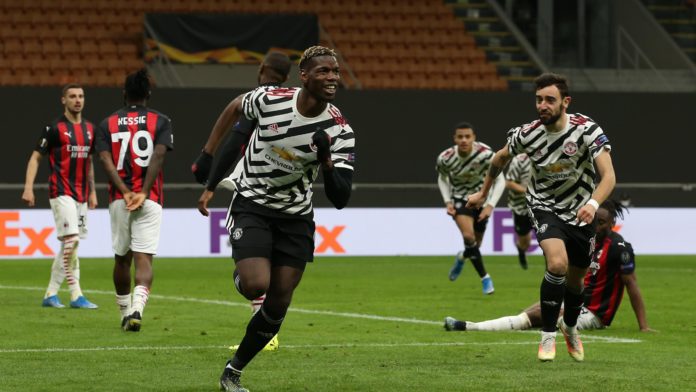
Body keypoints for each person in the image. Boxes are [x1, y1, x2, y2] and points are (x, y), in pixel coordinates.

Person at [197, 45, 355, 392]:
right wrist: (208, 153)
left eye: (335, 72)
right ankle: (243, 278)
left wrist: (325, 159)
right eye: (324, 71)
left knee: (279, 300)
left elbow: (341, 197)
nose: (332, 78)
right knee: (257, 285)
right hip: (252, 202)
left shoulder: (339, 129)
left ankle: (233, 372)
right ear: (305, 76)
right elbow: (234, 107)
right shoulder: (270, 98)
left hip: (296, 216)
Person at [466, 73, 616, 362]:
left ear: (565, 103)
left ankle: (570, 329)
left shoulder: (586, 130)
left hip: (582, 210)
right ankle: (547, 336)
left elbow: (608, 176)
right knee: (557, 263)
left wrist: (594, 203)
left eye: (549, 100)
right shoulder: (527, 134)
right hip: (544, 206)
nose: (542, 105)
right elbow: (498, 158)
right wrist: (483, 194)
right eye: (538, 100)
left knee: (576, 282)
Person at [193, 51, 292, 351]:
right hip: (290, 201)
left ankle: (246, 283)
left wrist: (209, 175)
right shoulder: (297, 100)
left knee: (253, 276)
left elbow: (236, 134)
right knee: (274, 271)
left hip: (253, 195)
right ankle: (268, 335)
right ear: (287, 78)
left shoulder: (258, 100)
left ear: (261, 69)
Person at [444, 200, 655, 333]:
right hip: (574, 301)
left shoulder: (619, 248)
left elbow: (631, 285)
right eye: (594, 221)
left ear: (611, 224)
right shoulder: (583, 241)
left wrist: (643, 326)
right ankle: (469, 326)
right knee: (535, 311)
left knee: (538, 316)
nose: (595, 226)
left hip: (594, 313)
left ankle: (469, 327)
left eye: (601, 222)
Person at [95, 69, 174, 332]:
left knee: (121, 259)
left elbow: (106, 162)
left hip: (120, 199)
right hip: (150, 199)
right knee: (144, 259)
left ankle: (125, 313)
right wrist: (142, 191)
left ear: (124, 93)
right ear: (148, 94)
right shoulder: (161, 121)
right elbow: (159, 156)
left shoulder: (106, 124)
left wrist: (126, 191)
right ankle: (138, 309)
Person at [22, 83, 99, 309]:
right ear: (63, 100)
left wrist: (93, 191)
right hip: (61, 191)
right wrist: (29, 187)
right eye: (73, 96)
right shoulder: (53, 128)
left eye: (81, 96)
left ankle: (51, 293)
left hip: (82, 195)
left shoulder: (90, 130)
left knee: (70, 244)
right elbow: (35, 158)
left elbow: (89, 162)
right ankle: (76, 294)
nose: (78, 100)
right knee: (72, 241)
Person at [436, 122, 504, 294]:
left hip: (481, 201)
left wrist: (490, 206)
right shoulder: (446, 157)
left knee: (475, 245)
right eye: (460, 137)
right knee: (468, 236)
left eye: (467, 136)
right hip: (460, 199)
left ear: (474, 138)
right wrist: (447, 201)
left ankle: (462, 257)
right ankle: (485, 278)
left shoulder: (486, 154)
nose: (464, 140)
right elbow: (442, 178)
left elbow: (501, 180)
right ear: (455, 138)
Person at [504, 153, 533, 269]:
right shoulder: (519, 160)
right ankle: (521, 250)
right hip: (521, 207)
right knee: (526, 243)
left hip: (541, 205)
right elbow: (509, 183)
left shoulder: (548, 155)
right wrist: (527, 191)